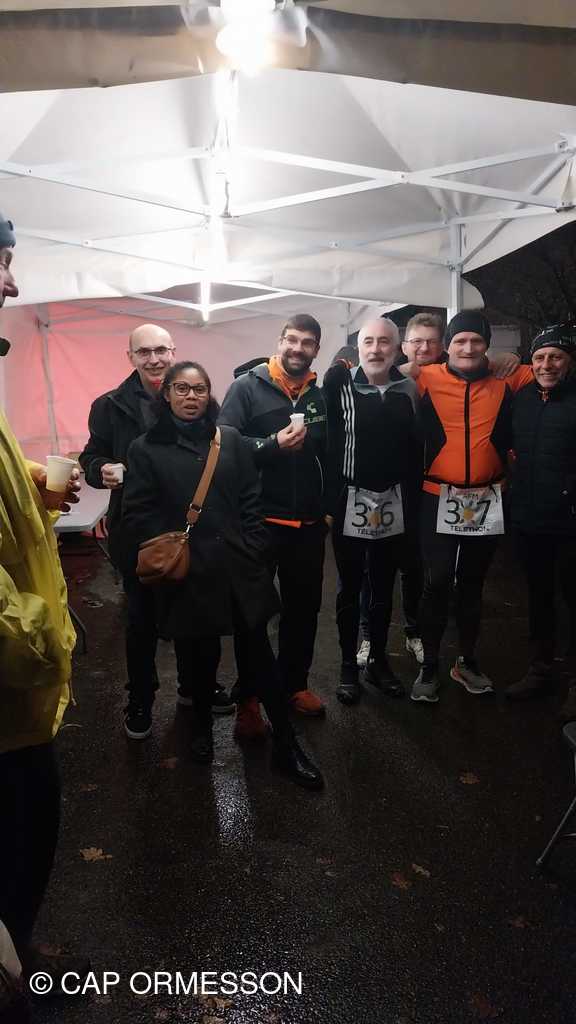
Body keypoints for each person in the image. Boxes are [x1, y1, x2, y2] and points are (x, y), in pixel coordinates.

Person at [121, 361, 323, 789]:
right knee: (198, 658)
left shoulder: (228, 439)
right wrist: (178, 549)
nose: (191, 396)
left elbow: (251, 498)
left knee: (259, 657)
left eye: (199, 389)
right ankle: (200, 731)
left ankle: (286, 745)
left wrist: (254, 547)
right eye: (181, 388)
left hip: (238, 567)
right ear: (166, 394)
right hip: (189, 572)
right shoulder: (145, 448)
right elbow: (137, 512)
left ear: (209, 394)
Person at [0, 212, 88, 989]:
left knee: (29, 831)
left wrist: (34, 489)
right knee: (21, 832)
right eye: (1, 264)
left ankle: (18, 952)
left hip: (16, 695)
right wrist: (46, 641)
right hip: (8, 680)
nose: (12, 284)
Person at [79, 325, 234, 737]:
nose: (154, 359)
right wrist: (101, 469)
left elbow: (216, 447)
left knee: (191, 613)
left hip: (190, 528)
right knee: (141, 620)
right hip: (137, 528)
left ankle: (193, 687)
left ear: (173, 351)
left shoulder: (191, 396)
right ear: (130, 356)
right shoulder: (109, 406)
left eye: (161, 350)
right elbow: (91, 455)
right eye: (144, 351)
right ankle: (141, 698)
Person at [404, 311, 532, 704]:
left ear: (486, 344)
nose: (469, 347)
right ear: (448, 345)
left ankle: (466, 661)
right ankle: (429, 665)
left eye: (477, 340)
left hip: (487, 496)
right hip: (437, 494)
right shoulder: (425, 377)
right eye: (460, 340)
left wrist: (514, 358)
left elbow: (554, 369)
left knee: (473, 584)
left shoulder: (506, 379)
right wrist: (402, 363)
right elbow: (372, 374)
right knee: (437, 581)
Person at [218, 314, 328, 732]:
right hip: (259, 521)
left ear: (316, 349)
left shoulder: (319, 394)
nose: (298, 348)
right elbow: (224, 442)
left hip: (308, 524)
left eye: (307, 342)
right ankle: (249, 697)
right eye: (292, 340)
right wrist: (271, 445)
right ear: (279, 342)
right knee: (253, 613)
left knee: (304, 610)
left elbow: (332, 451)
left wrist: (327, 507)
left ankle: (293, 685)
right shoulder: (247, 387)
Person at [323, 317, 420, 704]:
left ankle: (378, 661)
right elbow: (327, 442)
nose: (376, 349)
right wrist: (328, 500)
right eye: (368, 341)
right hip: (351, 499)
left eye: (384, 342)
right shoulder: (339, 384)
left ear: (396, 348)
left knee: (382, 586)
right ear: (358, 346)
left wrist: (411, 500)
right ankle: (349, 665)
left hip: (392, 500)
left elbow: (415, 447)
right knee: (350, 587)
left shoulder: (408, 388)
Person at [506, 324, 576, 700]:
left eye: (556, 357)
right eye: (540, 357)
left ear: (569, 362)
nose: (547, 364)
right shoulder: (523, 399)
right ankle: (540, 668)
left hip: (569, 521)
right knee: (538, 597)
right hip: (530, 519)